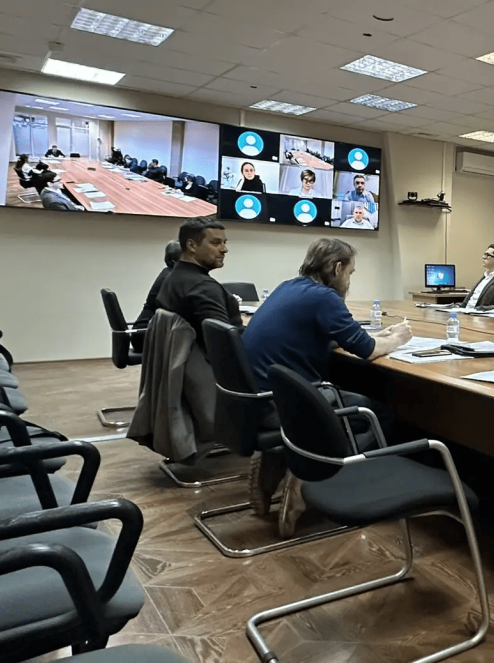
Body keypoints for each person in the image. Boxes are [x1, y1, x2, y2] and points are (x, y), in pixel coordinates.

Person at [241, 238, 414, 532]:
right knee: (379, 414)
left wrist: (379, 337)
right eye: (350, 272)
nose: (349, 280)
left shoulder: (288, 287)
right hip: (286, 402)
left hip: (258, 396)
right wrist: (397, 338)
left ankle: (281, 459)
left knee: (356, 397)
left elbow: (331, 337)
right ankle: (309, 475)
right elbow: (367, 350)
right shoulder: (325, 297)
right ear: (337, 268)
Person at [155, 218, 241, 353]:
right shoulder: (203, 287)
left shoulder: (175, 276)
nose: (224, 249)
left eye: (224, 243)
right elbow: (225, 346)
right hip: (217, 363)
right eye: (216, 243)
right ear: (192, 246)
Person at [131, 241, 184, 352]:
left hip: (144, 333)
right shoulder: (171, 279)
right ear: (174, 262)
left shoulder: (167, 273)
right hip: (146, 335)